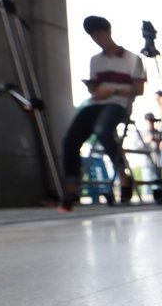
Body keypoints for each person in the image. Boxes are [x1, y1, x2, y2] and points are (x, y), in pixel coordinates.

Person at [60, 15, 145, 210]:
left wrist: (113, 90)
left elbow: (139, 89)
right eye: (93, 36)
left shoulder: (132, 59)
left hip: (119, 104)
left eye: (99, 34)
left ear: (108, 32)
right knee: (70, 140)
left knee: (102, 130)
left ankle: (123, 177)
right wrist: (95, 89)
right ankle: (71, 189)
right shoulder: (95, 61)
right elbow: (96, 88)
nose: (97, 39)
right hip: (96, 104)